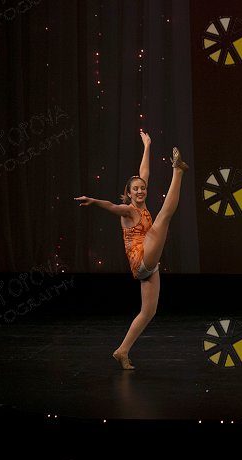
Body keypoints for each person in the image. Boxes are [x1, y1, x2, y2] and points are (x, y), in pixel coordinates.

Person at [75, 131, 188, 369]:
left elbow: (143, 172)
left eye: (142, 188)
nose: (140, 191)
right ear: (128, 193)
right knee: (163, 218)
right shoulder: (129, 210)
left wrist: (147, 145)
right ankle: (177, 171)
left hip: (148, 266)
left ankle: (122, 351)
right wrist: (94, 201)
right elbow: (112, 206)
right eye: (135, 189)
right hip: (140, 258)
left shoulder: (142, 203)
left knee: (148, 312)